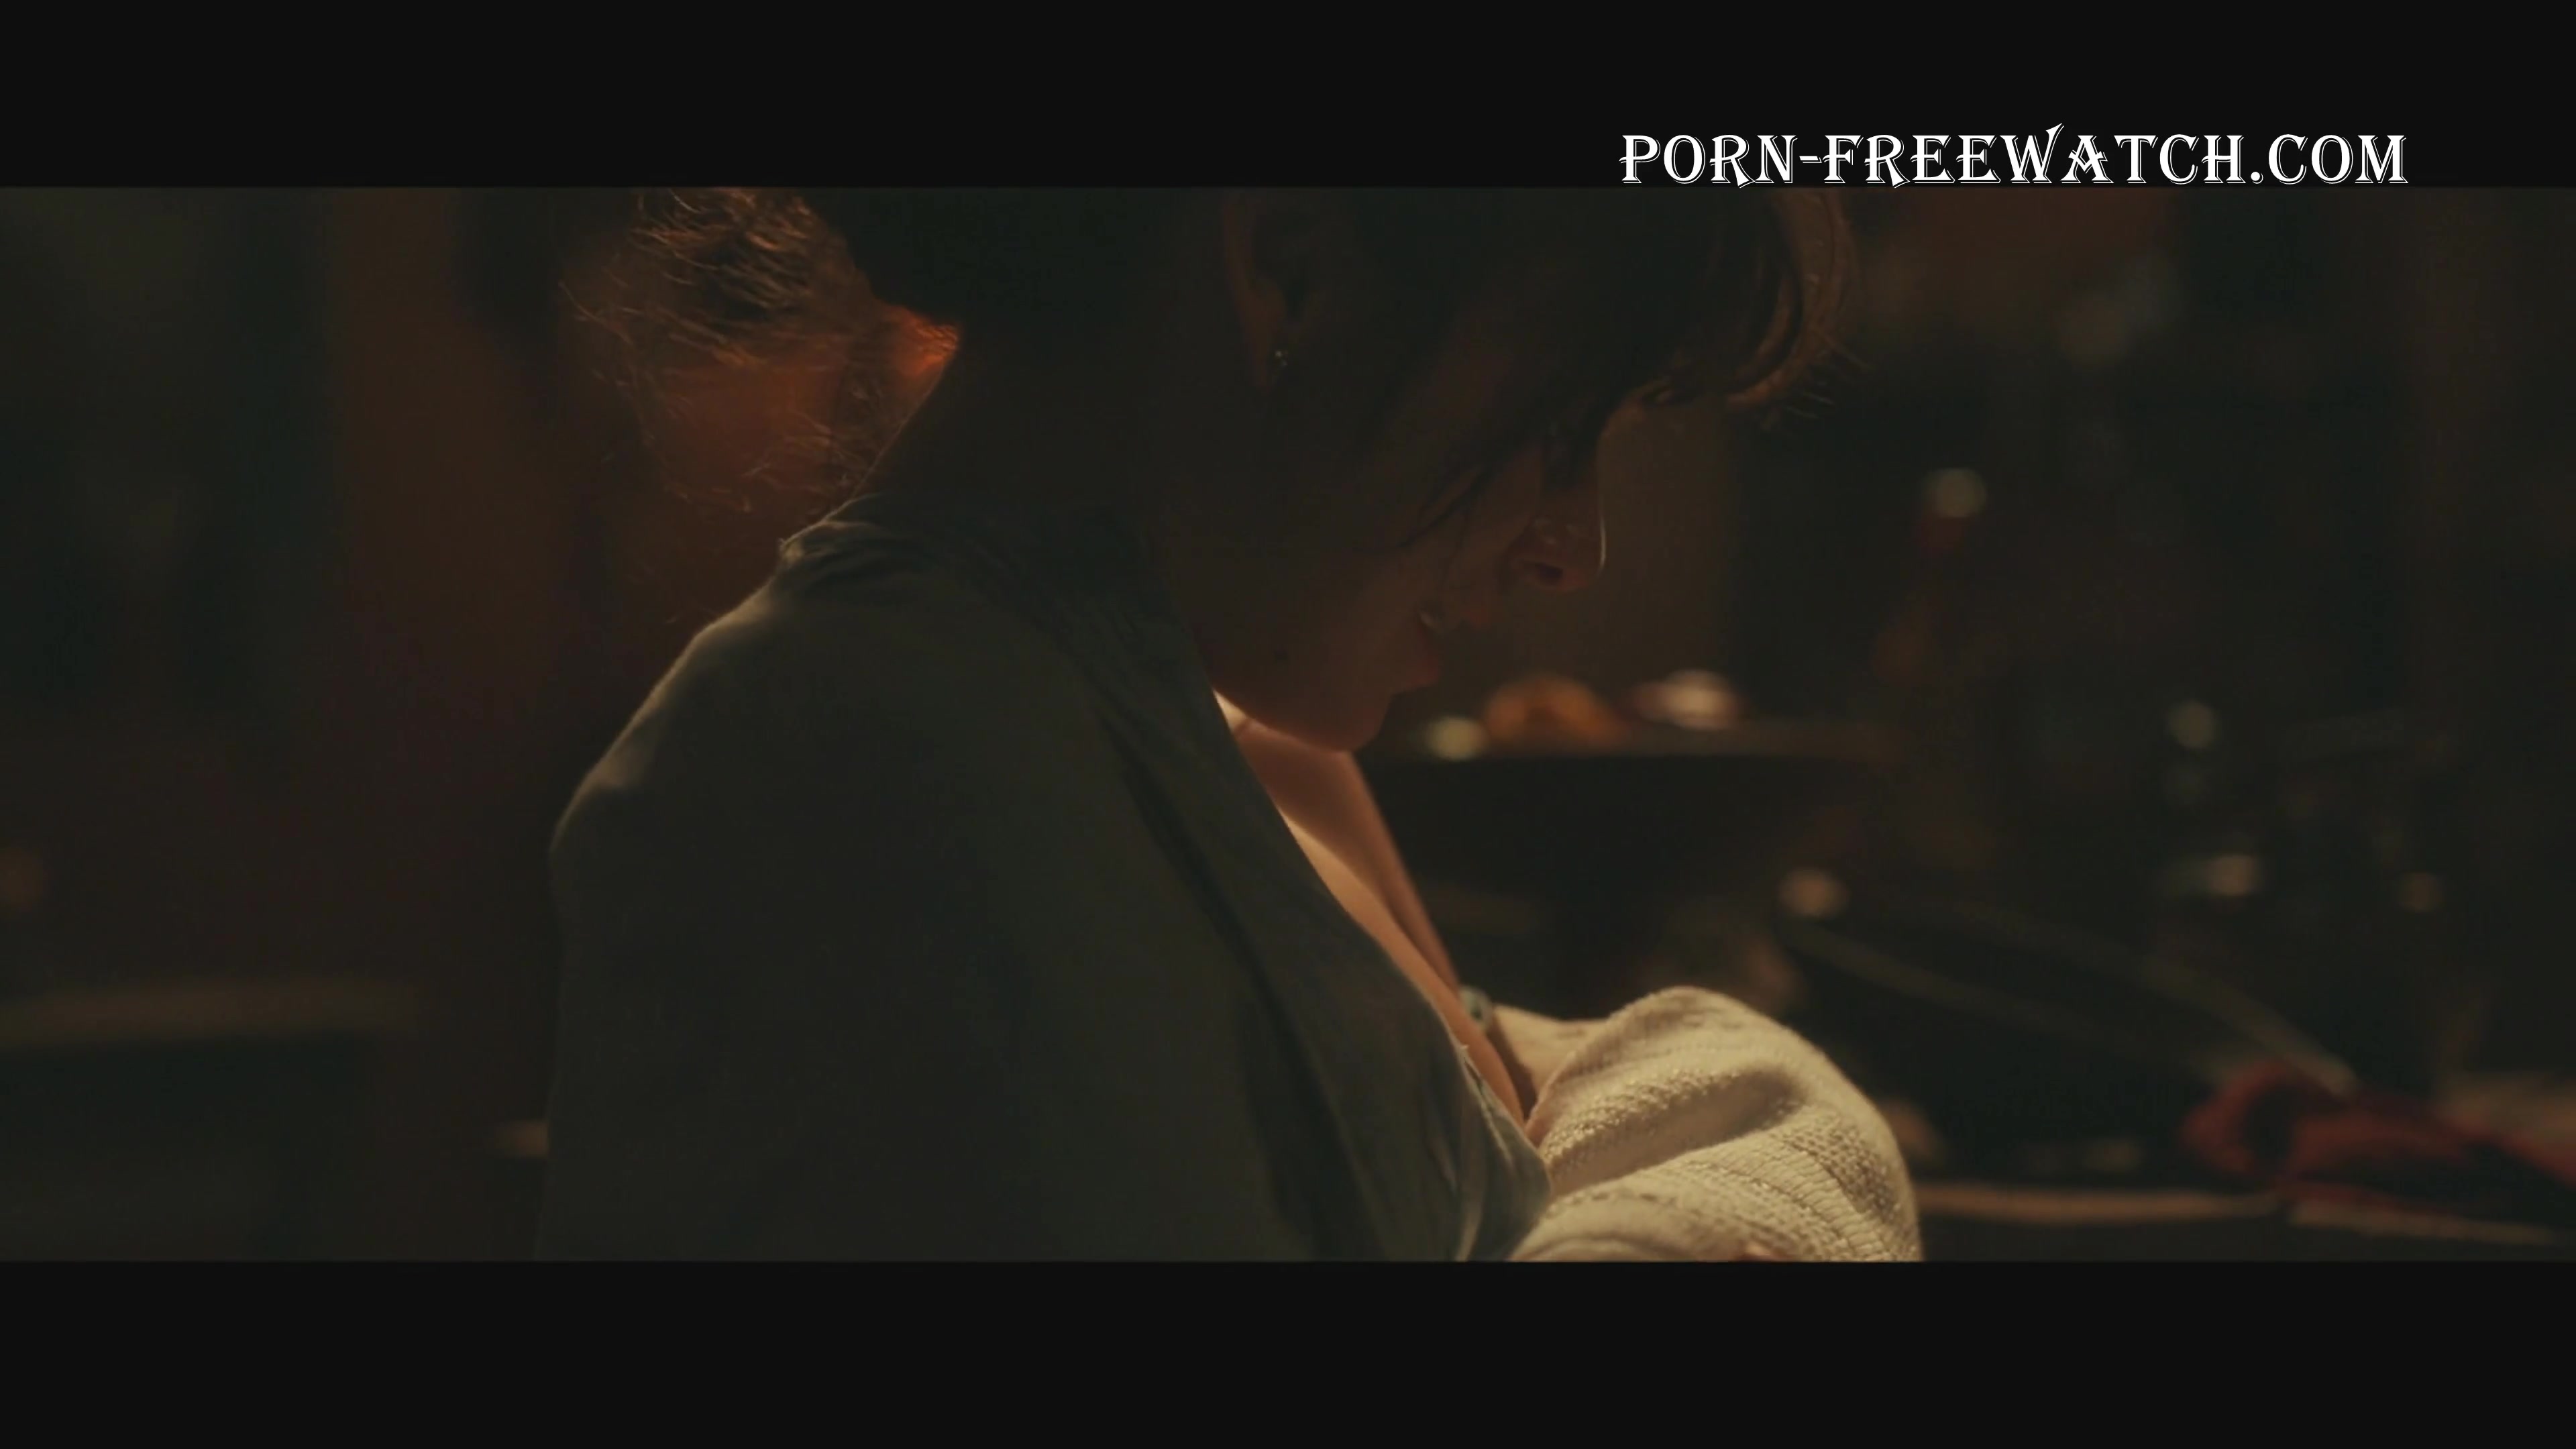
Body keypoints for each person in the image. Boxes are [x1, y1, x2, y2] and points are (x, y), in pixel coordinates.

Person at [537, 187, 1911, 1260]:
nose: (1576, 548)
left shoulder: (1237, 747)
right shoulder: (877, 772)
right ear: (1292, 269)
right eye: (1559, 423)